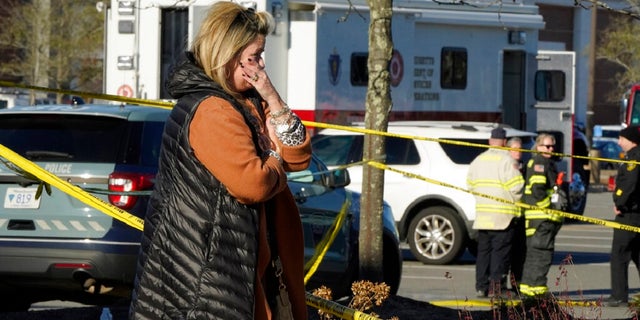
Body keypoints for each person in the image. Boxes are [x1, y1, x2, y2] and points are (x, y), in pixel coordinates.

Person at [128, 2, 312, 319]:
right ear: (227, 54)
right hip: (208, 277)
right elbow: (253, 184)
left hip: (236, 266)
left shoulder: (249, 101)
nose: (261, 65)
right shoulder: (213, 109)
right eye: (254, 57)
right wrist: (274, 156)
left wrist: (274, 100)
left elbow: (300, 157)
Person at [467, 128, 524, 298]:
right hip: (503, 216)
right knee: (500, 254)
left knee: (483, 253)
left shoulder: (478, 160)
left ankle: (481, 286)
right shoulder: (507, 160)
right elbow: (517, 186)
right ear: (505, 142)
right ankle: (496, 288)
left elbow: (470, 184)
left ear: (490, 141)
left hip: (483, 215)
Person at [519, 133, 564, 297]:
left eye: (552, 146)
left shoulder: (542, 162)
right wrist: (550, 209)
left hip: (535, 219)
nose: (550, 149)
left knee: (533, 254)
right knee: (542, 254)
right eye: (546, 146)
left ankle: (527, 289)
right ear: (538, 147)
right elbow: (538, 191)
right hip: (541, 219)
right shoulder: (540, 163)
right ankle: (538, 290)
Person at [605, 125, 640, 307]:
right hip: (636, 213)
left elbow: (630, 183)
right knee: (637, 254)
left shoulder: (634, 158)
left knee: (619, 255)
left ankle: (619, 295)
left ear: (631, 140)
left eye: (621, 139)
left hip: (629, 214)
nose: (619, 142)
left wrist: (620, 203)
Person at [506, 137, 526, 288]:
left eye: (520, 149)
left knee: (520, 254)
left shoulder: (525, 167)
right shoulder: (504, 167)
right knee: (505, 254)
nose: (518, 152)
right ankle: (499, 285)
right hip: (506, 216)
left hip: (522, 216)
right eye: (514, 149)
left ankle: (516, 284)